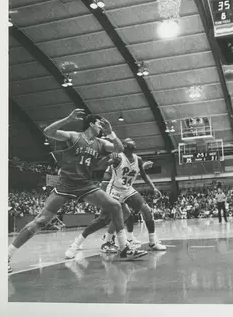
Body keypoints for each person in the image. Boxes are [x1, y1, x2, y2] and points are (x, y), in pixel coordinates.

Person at [8, 110, 146, 272]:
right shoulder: (74, 136)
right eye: (100, 124)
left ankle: (124, 249)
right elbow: (48, 132)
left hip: (86, 185)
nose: (101, 127)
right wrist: (68, 118)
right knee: (40, 221)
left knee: (115, 206)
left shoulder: (101, 143)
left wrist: (110, 132)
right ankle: (7, 255)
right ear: (91, 124)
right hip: (65, 185)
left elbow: (119, 148)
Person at [64, 138, 167, 258]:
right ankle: (76, 244)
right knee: (103, 219)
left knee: (146, 210)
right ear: (124, 146)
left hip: (128, 189)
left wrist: (153, 188)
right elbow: (100, 165)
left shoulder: (138, 159)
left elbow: (143, 175)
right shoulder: (118, 157)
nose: (131, 142)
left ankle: (152, 242)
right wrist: (108, 159)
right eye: (128, 142)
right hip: (114, 190)